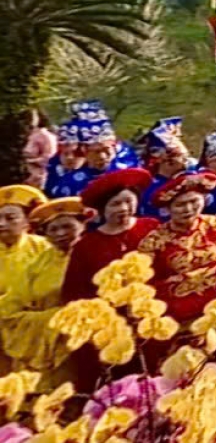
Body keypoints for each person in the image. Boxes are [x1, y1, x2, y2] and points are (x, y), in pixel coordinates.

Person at [64, 168, 158, 392]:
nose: (123, 208)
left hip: (151, 319)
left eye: (128, 201)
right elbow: (76, 291)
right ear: (102, 210)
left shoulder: (152, 229)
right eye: (115, 204)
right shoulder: (87, 245)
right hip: (110, 325)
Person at [140, 171, 216, 328]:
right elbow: (150, 284)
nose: (188, 209)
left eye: (194, 202)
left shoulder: (215, 224)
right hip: (178, 316)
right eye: (180, 205)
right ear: (168, 209)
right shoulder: (154, 241)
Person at [0, 187, 72, 384]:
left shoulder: (43, 248)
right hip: (12, 320)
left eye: (10, 218)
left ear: (26, 223)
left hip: (42, 328)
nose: (2, 224)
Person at [139, 119, 194, 220]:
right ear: (167, 160)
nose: (186, 160)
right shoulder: (147, 186)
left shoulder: (190, 177)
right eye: (181, 156)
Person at [23, 110, 56, 191]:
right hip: (28, 175)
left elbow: (50, 157)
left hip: (41, 176)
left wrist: (31, 160)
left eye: (32, 117)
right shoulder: (30, 134)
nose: (29, 119)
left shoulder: (46, 135)